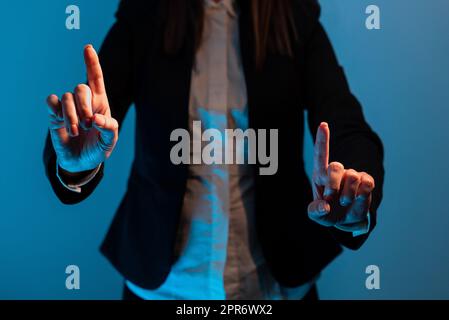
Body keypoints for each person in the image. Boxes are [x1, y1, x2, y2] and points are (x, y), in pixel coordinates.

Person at [44, 0, 384, 300]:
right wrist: (75, 163)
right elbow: (89, 118)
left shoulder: (294, 15)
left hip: (275, 284)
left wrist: (349, 187)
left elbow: (345, 122)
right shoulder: (145, 12)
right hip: (161, 286)